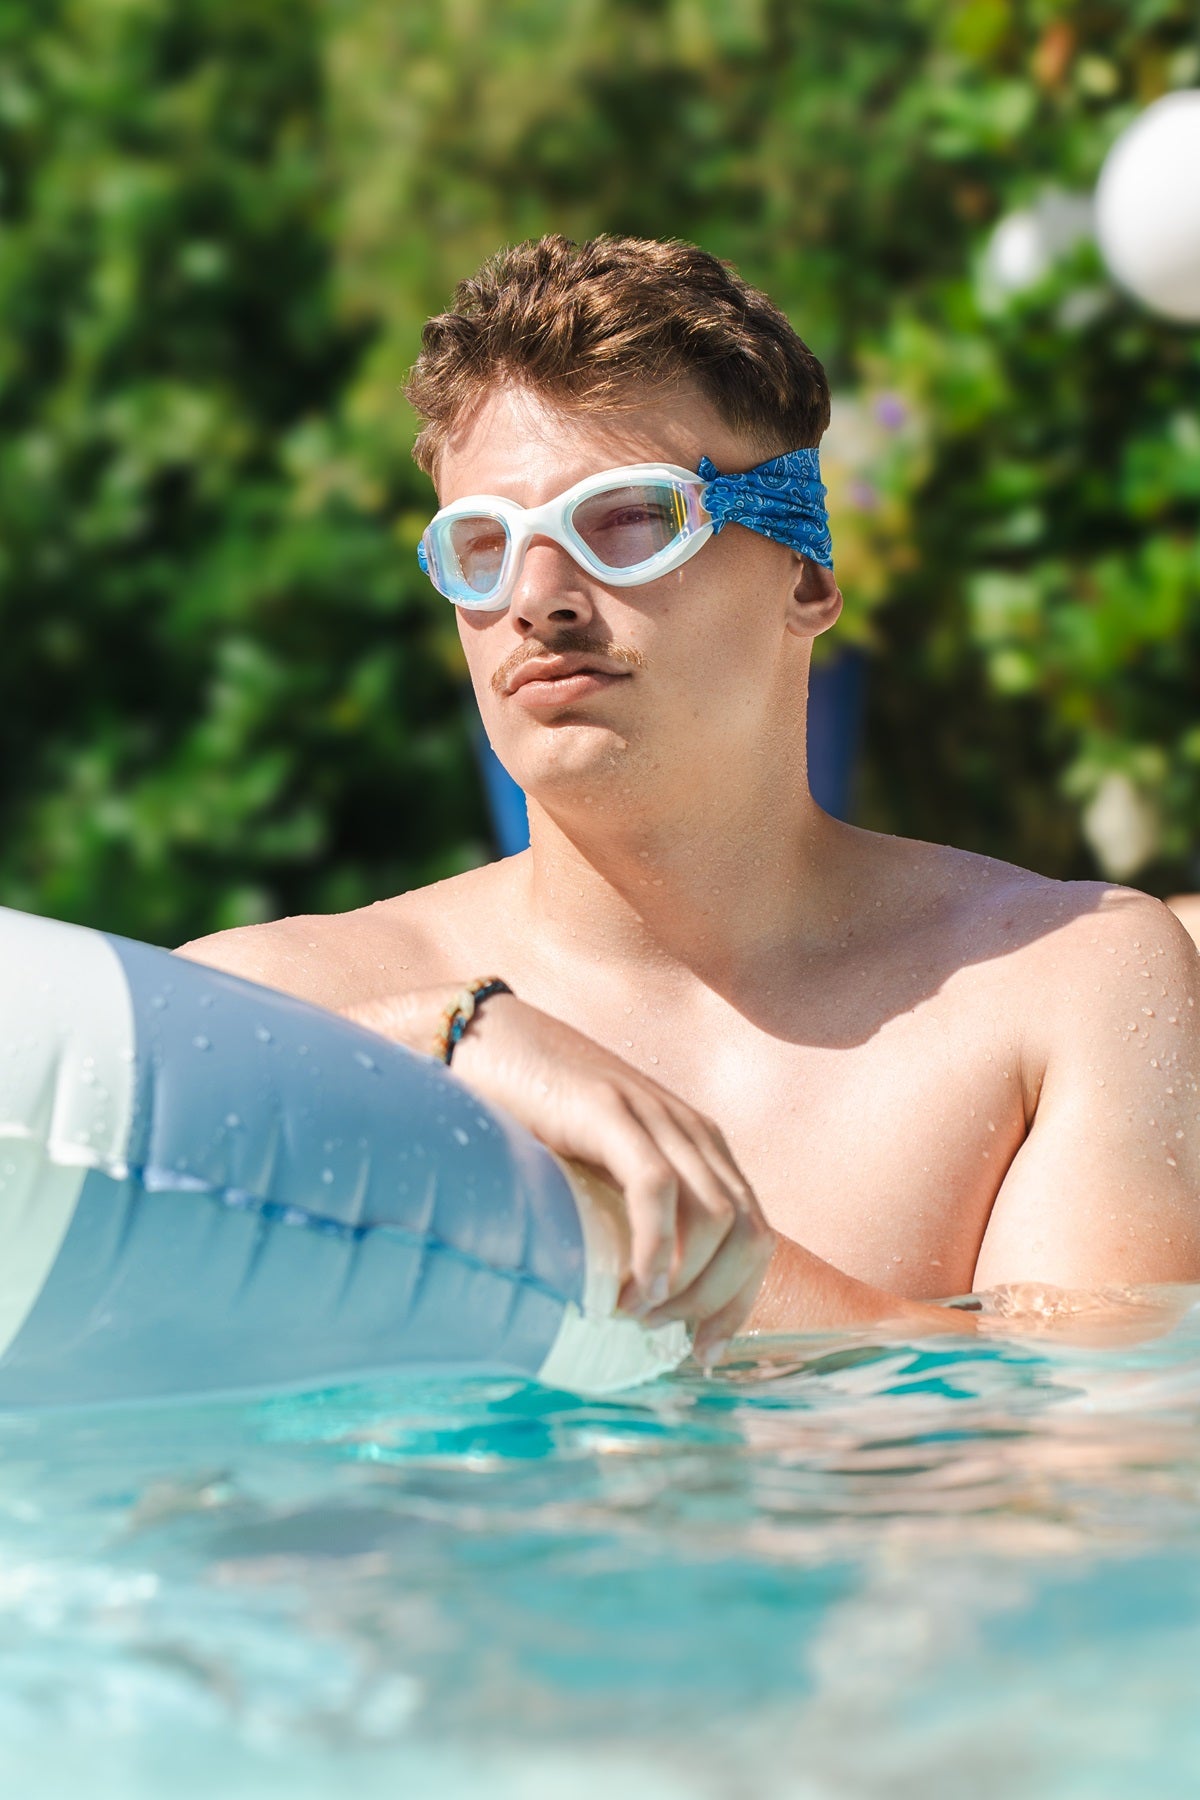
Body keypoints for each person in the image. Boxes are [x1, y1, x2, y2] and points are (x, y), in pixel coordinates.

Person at [178, 235, 1200, 1365]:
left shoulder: (1057, 993)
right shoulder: (279, 1004)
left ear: (804, 574)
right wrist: (429, 1054)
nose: (538, 598)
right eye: (483, 546)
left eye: (627, 520)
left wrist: (623, 1234)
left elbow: (1086, 1471)